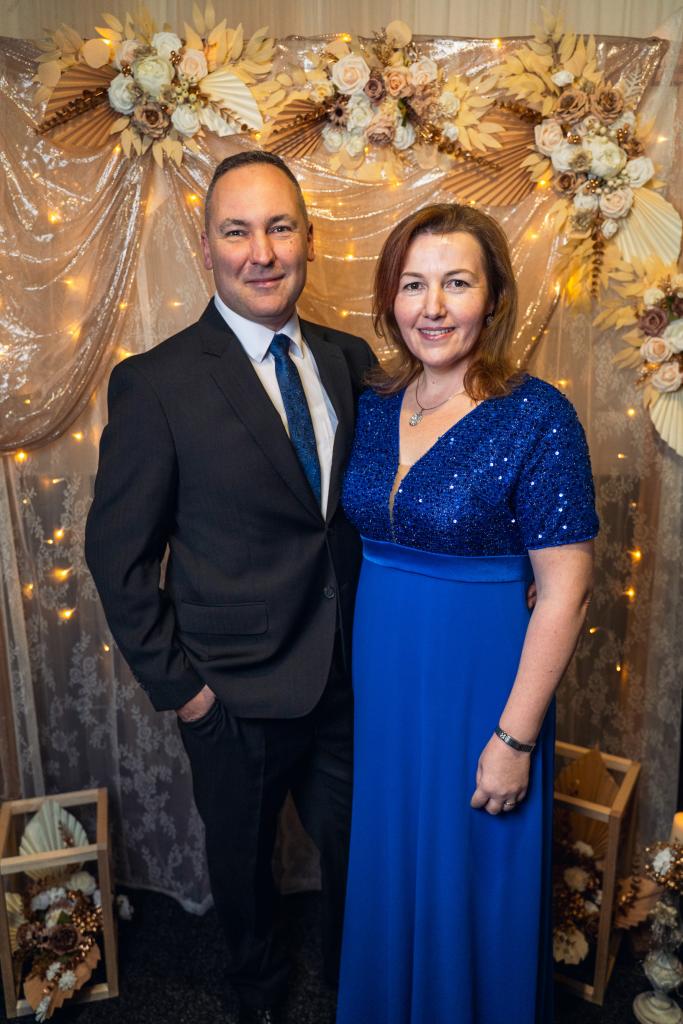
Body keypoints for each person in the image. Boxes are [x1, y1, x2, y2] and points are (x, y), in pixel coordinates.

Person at [85, 150, 375, 1024]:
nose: (262, 252)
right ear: (205, 245)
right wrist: (188, 693)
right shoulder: (156, 382)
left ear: (309, 239)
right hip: (233, 691)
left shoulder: (351, 359)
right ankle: (256, 994)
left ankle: (356, 982)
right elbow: (117, 557)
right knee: (243, 867)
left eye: (280, 228)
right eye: (238, 231)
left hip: (348, 676)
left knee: (358, 850)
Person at [337, 203, 598, 1024]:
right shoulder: (375, 405)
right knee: (393, 863)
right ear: (390, 299)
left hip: (481, 689)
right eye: (413, 285)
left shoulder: (537, 415)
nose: (433, 307)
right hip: (387, 687)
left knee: (473, 873)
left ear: (492, 298)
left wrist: (514, 739)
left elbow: (565, 589)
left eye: (456, 283)